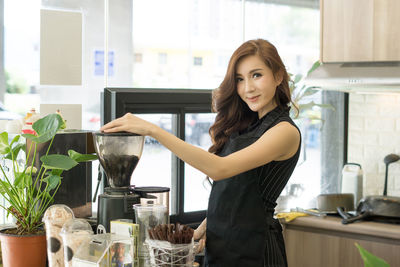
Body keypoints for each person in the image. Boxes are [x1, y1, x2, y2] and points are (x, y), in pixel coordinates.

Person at [101, 39, 301, 267]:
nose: (248, 88)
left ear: (277, 76)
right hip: (222, 247)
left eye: (256, 75)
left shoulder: (284, 132)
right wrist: (202, 230)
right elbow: (235, 192)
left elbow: (220, 169)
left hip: (257, 251)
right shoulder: (246, 126)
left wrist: (153, 130)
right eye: (240, 79)